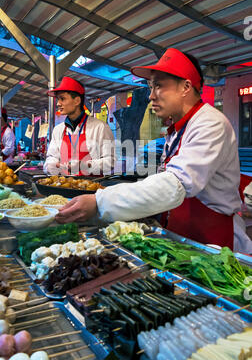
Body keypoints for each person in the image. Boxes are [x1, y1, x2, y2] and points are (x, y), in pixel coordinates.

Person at [56, 48, 252, 254]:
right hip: (184, 234)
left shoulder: (210, 123)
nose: (151, 96)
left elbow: (175, 184)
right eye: (150, 87)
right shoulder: (178, 128)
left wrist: (100, 201)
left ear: (186, 87)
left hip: (213, 241)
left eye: (158, 86)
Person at [44, 77, 115, 176]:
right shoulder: (58, 130)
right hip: (64, 186)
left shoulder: (100, 127)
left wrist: (85, 165)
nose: (58, 103)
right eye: (58, 99)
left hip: (92, 187)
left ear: (77, 101)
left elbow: (111, 161)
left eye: (62, 99)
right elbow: (51, 157)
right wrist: (53, 165)